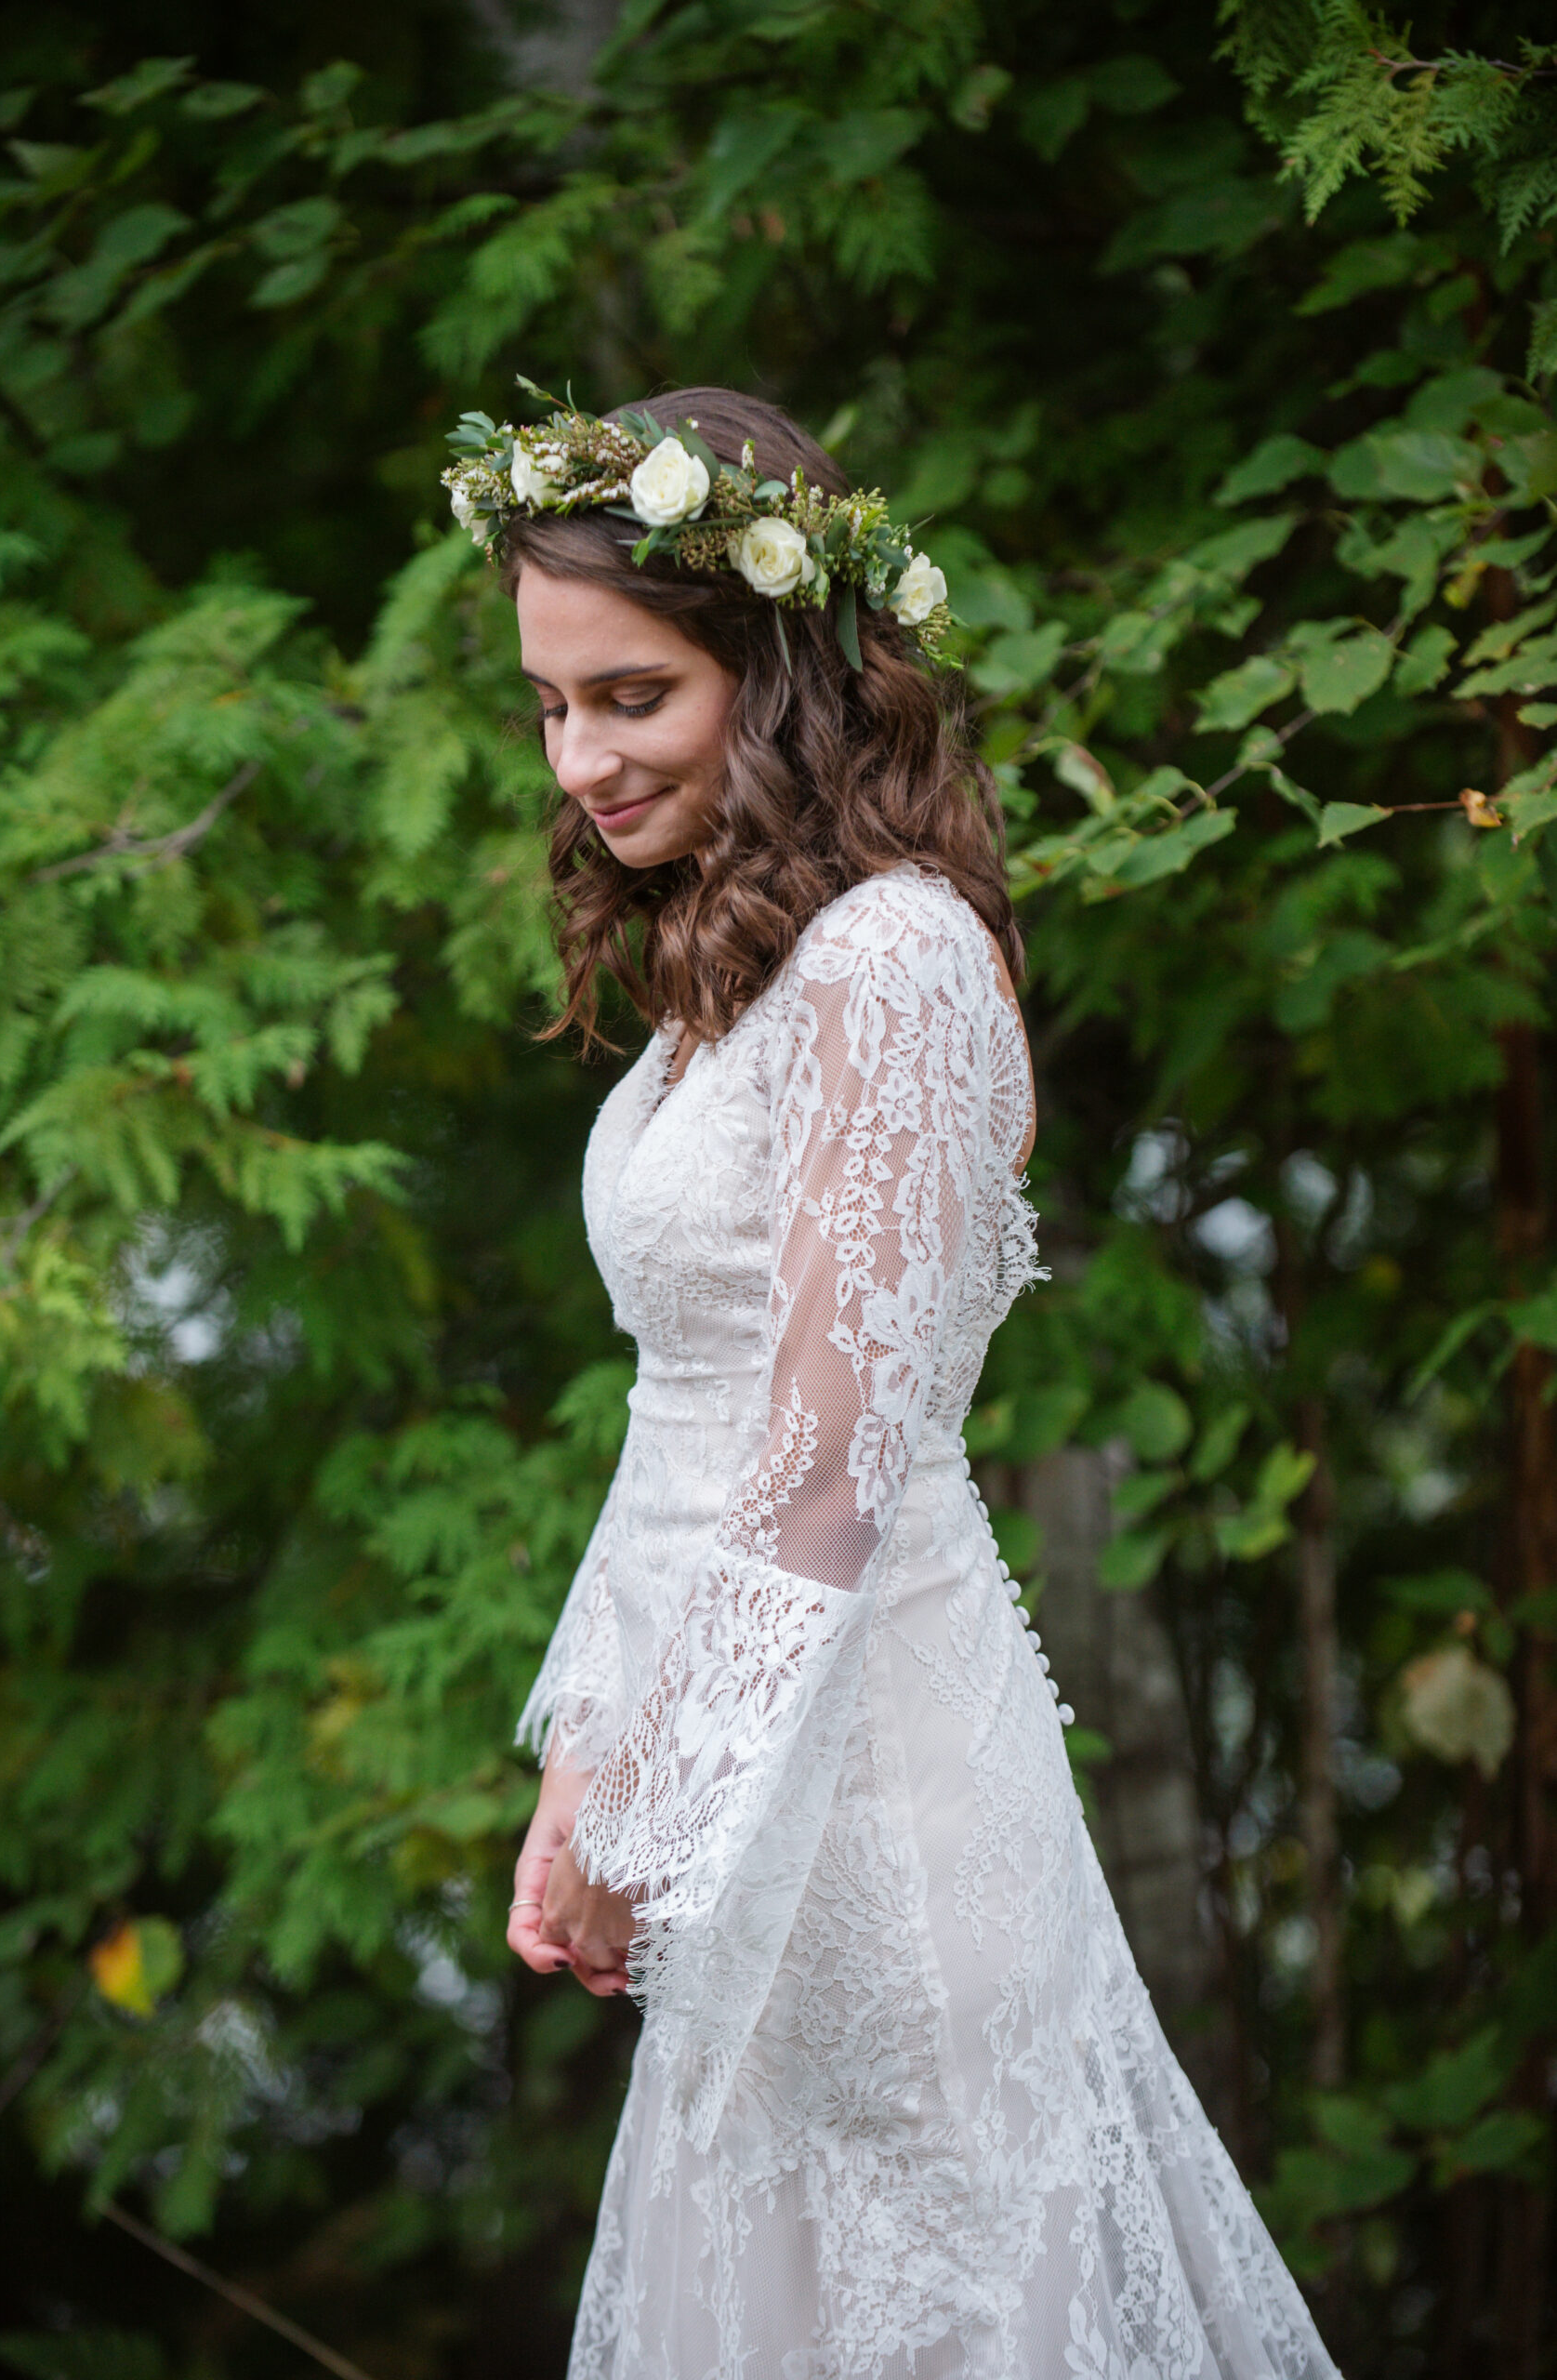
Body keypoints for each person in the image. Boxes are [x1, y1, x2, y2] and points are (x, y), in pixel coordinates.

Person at [446, 386, 1339, 2378]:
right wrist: (592, 1753)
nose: (579, 758)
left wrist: (651, 1816)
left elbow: (829, 1470)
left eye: (632, 697)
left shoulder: (898, 962)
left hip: (885, 1801)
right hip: (746, 1789)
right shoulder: (733, 973)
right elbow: (678, 1413)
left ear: (777, 671)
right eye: (548, 707)